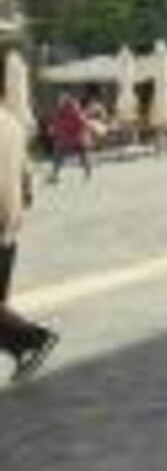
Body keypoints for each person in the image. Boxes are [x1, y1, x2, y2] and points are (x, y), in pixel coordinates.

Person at [0, 95, 58, 382]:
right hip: (10, 221)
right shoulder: (11, 121)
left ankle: (33, 337)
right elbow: (27, 175)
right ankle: (25, 345)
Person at [49, 93, 92, 184]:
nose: (59, 104)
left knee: (83, 155)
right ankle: (55, 174)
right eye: (58, 102)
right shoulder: (60, 113)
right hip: (66, 139)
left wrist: (76, 138)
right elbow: (58, 126)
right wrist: (55, 132)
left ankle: (88, 173)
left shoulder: (75, 110)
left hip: (78, 138)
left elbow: (83, 125)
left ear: (66, 102)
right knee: (58, 152)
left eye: (60, 102)